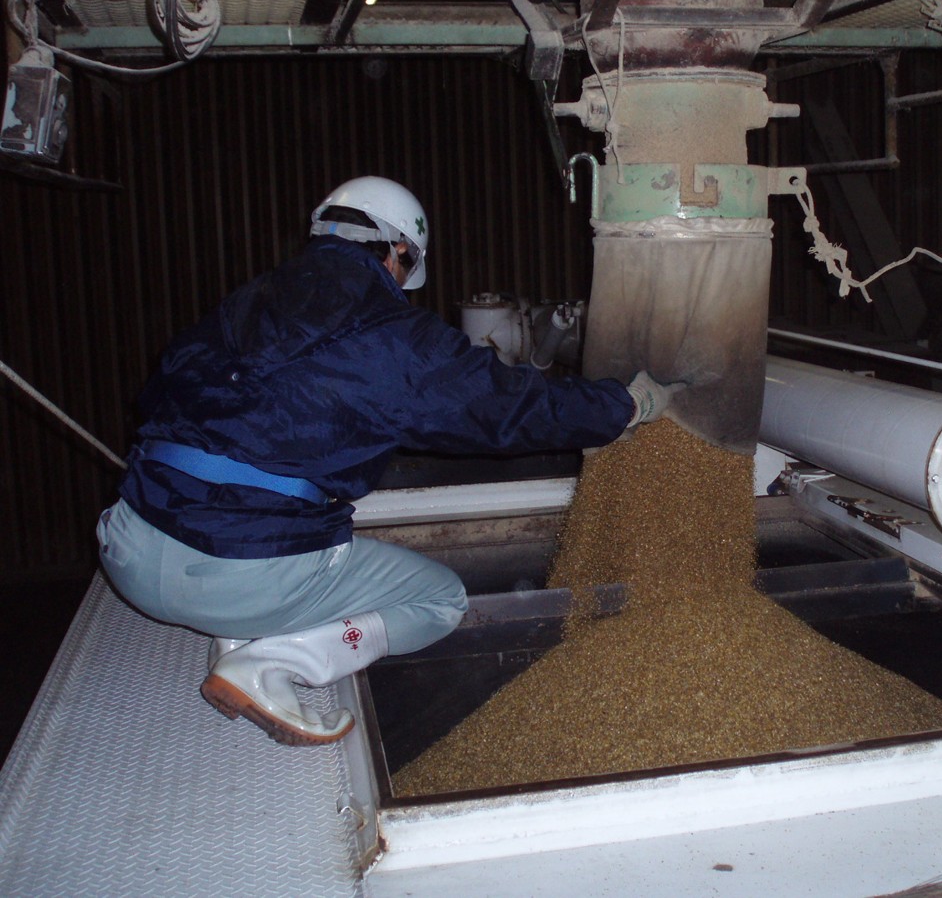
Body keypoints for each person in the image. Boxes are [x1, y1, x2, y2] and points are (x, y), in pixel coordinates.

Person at [97, 175, 680, 747]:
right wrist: (623, 405)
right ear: (397, 249)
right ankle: (274, 662)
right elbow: (506, 405)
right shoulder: (390, 333)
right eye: (406, 269)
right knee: (438, 601)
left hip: (131, 547)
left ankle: (240, 631)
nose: (403, 285)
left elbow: (165, 400)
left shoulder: (244, 303)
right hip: (240, 574)